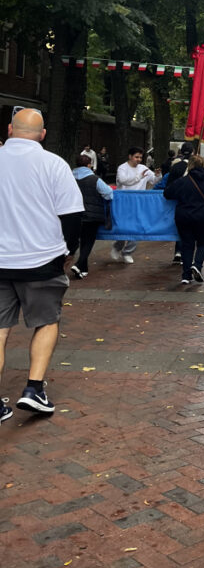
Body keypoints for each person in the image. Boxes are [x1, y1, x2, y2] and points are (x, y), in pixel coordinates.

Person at [0, 108, 83, 421]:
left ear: (10, 129)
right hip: (41, 259)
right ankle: (34, 389)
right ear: (43, 134)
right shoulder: (53, 164)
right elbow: (73, 214)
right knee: (46, 321)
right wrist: (68, 251)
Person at [164, 155, 204, 285]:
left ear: (189, 166)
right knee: (203, 243)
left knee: (187, 245)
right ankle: (197, 265)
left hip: (184, 216)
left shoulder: (183, 181)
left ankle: (186, 275)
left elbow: (167, 193)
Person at [71, 154, 113, 279]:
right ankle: (79, 264)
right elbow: (109, 194)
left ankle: (83, 269)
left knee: (76, 240)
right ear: (89, 165)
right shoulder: (94, 179)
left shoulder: (69, 178)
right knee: (88, 241)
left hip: (73, 214)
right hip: (91, 215)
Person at [111, 146, 155, 264]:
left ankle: (128, 252)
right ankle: (117, 246)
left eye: (140, 157)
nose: (139, 159)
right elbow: (125, 181)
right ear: (130, 156)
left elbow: (154, 180)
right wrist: (139, 177)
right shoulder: (122, 168)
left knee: (137, 228)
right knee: (123, 227)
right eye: (136, 157)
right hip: (123, 203)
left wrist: (158, 175)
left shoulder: (144, 168)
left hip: (139, 203)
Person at [165, 142, 195, 264]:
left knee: (180, 227)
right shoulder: (196, 168)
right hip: (193, 202)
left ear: (181, 152)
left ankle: (178, 252)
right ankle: (186, 254)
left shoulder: (176, 167)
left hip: (179, 202)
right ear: (193, 152)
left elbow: (169, 186)